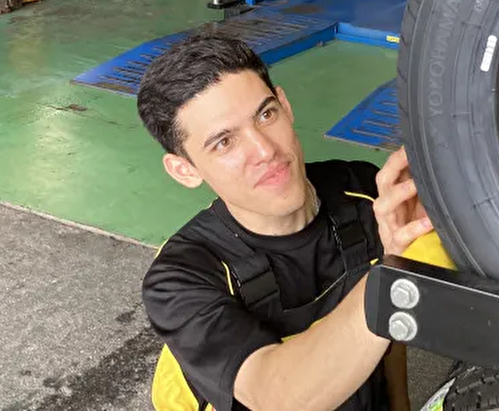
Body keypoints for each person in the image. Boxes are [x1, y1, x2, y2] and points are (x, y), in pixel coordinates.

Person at [136, 25, 434, 411]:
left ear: (286, 106)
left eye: (266, 114)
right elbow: (277, 398)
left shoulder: (362, 192)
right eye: (224, 142)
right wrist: (393, 271)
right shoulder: (180, 276)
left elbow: (387, 333)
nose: (264, 150)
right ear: (186, 170)